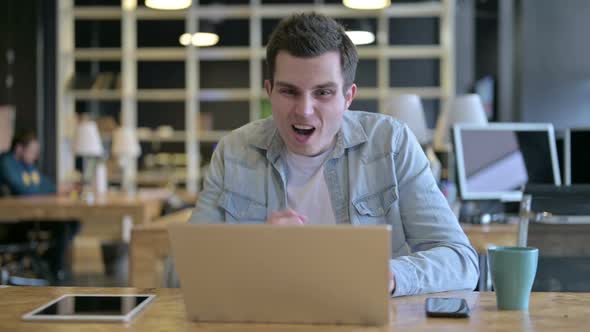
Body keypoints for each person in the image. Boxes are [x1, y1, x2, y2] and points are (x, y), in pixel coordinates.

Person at [189, 12, 478, 296]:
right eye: (289, 91)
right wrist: (258, 250)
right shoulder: (233, 152)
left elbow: (461, 261)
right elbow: (183, 271)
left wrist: (389, 276)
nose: (304, 109)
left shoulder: (392, 143)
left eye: (323, 93)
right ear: (270, 91)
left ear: (348, 97)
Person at [0, 129, 80, 283]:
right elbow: (25, 189)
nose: (35, 156)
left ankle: (47, 264)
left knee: (71, 222)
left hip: (29, 216)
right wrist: (55, 190)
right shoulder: (6, 163)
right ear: (19, 149)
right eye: (32, 151)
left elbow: (45, 184)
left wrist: (58, 189)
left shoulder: (28, 166)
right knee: (62, 228)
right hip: (12, 222)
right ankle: (51, 270)